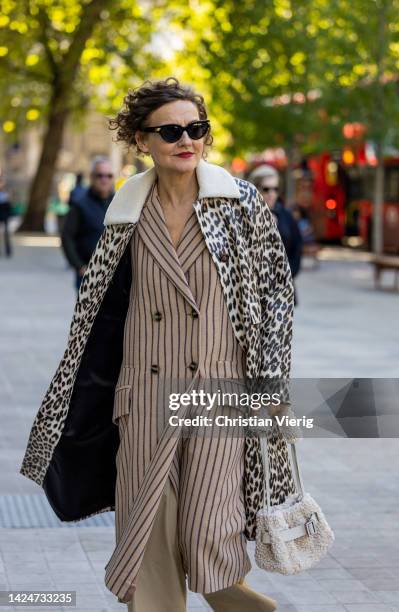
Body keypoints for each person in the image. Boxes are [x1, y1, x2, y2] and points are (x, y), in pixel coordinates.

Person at [19, 77, 297, 611]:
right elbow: (96, 311)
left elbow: (276, 297)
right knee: (146, 538)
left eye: (196, 128)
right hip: (143, 399)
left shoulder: (238, 204)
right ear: (142, 139)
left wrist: (270, 384)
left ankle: (245, 605)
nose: (186, 140)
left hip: (220, 398)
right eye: (170, 131)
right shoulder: (126, 210)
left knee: (208, 533)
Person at [248, 164, 303, 306]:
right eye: (266, 189)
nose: (271, 193)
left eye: (275, 189)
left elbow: (297, 247)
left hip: (282, 291)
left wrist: (287, 275)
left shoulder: (286, 216)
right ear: (256, 188)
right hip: (253, 293)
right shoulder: (245, 215)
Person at [61, 157, 115, 291]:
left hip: (115, 276)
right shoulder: (80, 204)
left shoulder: (119, 203)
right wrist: (79, 266)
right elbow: (67, 237)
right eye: (100, 175)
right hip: (88, 275)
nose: (104, 179)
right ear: (91, 177)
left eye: (108, 176)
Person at [0, 176, 12, 257]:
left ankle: (8, 251)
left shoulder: (6, 193)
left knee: (6, 234)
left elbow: (9, 206)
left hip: (4, 216)